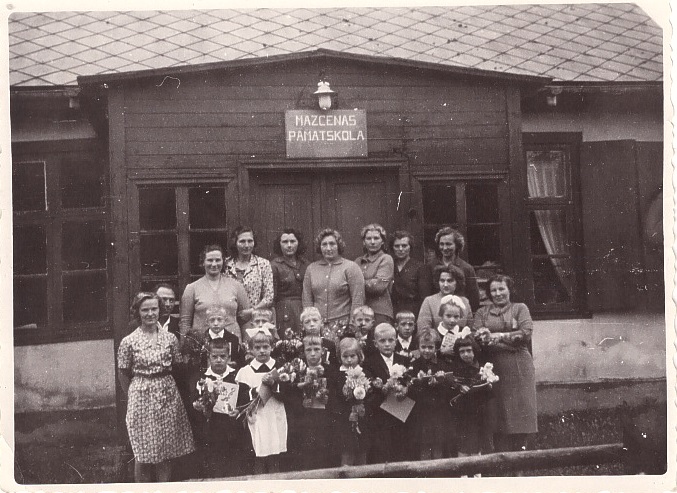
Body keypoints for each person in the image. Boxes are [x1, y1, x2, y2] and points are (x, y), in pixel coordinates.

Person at [117, 292, 195, 482]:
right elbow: (123, 373)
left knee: (165, 451)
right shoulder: (129, 341)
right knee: (142, 452)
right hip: (141, 397)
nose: (150, 313)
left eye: (154, 309)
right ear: (137, 312)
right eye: (145, 310)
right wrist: (133, 394)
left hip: (167, 396)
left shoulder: (170, 338)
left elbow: (177, 365)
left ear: (160, 310)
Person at [474, 274, 537, 452]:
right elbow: (478, 337)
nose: (498, 293)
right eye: (493, 290)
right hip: (492, 366)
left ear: (509, 290)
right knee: (497, 411)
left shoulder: (520, 308)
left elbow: (525, 334)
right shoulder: (482, 313)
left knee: (520, 409)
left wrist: (498, 336)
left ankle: (522, 453)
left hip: (518, 365)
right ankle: (500, 455)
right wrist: (509, 339)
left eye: (501, 289)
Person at [192, 338, 252, 478]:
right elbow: (195, 399)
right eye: (214, 357)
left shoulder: (236, 376)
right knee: (214, 466)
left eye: (222, 356)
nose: (218, 360)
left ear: (229, 358)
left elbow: (245, 400)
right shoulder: (203, 378)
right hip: (211, 429)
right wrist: (198, 406)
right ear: (209, 357)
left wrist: (238, 410)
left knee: (234, 466)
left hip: (233, 429)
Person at [235, 329, 287, 474]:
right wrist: (259, 388)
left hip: (275, 414)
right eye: (257, 348)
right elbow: (241, 397)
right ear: (251, 349)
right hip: (257, 417)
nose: (262, 351)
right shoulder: (246, 371)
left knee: (275, 452)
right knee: (258, 452)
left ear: (272, 347)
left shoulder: (280, 367)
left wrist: (274, 384)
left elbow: (288, 392)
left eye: (265, 347)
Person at [302, 228, 365, 340]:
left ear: (338, 245)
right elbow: (307, 299)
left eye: (332, 244)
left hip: (343, 325)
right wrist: (310, 322)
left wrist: (352, 326)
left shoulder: (351, 267)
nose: (328, 248)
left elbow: (358, 300)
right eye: (324, 244)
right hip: (317, 326)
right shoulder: (311, 269)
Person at [180, 244, 251, 342]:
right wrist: (186, 347)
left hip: (232, 344)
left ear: (223, 261)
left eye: (218, 260)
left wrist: (247, 346)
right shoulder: (192, 288)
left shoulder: (237, 286)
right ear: (203, 262)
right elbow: (185, 323)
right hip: (202, 344)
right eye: (210, 260)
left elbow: (246, 320)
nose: (214, 264)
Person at [284, 335, 334, 471]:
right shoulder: (296, 370)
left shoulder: (330, 370)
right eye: (308, 350)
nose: (312, 353)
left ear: (323, 351)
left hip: (324, 420)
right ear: (303, 351)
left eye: (316, 349)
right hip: (303, 420)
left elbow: (335, 393)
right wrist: (300, 394)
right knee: (305, 457)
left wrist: (327, 399)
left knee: (323, 456)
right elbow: (287, 392)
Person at [362, 323, 410, 464]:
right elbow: (371, 385)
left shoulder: (404, 360)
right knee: (381, 449)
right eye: (382, 341)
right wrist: (382, 387)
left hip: (401, 409)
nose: (387, 344)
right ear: (375, 343)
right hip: (380, 412)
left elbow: (409, 381)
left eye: (390, 340)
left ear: (396, 341)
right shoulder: (369, 363)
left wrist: (405, 389)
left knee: (400, 447)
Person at [406, 328, 453, 460]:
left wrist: (440, 382)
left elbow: (449, 390)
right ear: (418, 347)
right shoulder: (413, 366)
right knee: (424, 445)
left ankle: (438, 470)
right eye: (423, 347)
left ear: (436, 348)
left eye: (430, 347)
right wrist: (420, 382)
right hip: (421, 412)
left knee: (438, 444)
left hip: (438, 411)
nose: (426, 350)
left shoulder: (443, 365)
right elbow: (409, 390)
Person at [327, 337, 369, 466]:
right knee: (347, 453)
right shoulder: (336, 375)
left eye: (352, 356)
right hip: (344, 421)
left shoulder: (364, 373)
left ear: (359, 356)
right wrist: (347, 411)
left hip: (362, 420)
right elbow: (333, 398)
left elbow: (370, 394)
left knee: (362, 453)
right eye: (345, 357)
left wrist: (362, 407)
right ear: (340, 357)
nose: (349, 360)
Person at [449, 334, 492, 461]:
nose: (466, 354)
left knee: (477, 442)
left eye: (469, 350)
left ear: (474, 350)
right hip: (461, 412)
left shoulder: (482, 368)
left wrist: (488, 386)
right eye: (462, 352)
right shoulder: (455, 369)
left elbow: (489, 393)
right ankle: (463, 468)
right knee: (462, 443)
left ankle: (477, 468)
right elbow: (450, 388)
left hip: (478, 411)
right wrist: (459, 387)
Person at [183, 305, 246, 387]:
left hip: (228, 379)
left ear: (225, 321)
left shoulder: (233, 339)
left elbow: (239, 360)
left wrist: (234, 363)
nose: (216, 323)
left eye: (219, 320)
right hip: (206, 379)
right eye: (212, 320)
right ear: (207, 321)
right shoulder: (200, 339)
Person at [423, 227, 480, 312]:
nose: (444, 248)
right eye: (441, 244)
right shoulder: (430, 267)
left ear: (457, 245)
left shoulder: (467, 268)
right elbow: (426, 294)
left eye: (448, 244)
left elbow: (474, 298)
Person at [224, 226, 275, 316]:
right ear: (235, 243)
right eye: (242, 241)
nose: (247, 245)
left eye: (250, 241)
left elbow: (269, 297)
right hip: (229, 316)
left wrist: (252, 311)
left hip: (255, 316)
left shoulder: (263, 264)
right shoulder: (226, 264)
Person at [271, 228, 309, 337]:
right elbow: (272, 299)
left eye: (292, 241)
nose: (289, 245)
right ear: (279, 244)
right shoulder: (274, 265)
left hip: (303, 309)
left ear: (298, 243)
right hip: (284, 313)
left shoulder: (306, 264)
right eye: (285, 242)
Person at [355, 223, 394, 325]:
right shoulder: (358, 262)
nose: (372, 242)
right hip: (360, 312)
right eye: (368, 238)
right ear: (364, 242)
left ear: (382, 241)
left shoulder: (386, 259)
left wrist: (356, 284)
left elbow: (378, 286)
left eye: (376, 238)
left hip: (379, 312)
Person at [418, 264, 471, 331]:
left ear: (457, 282)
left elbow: (470, 328)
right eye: (442, 281)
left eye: (450, 281)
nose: (445, 285)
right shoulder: (429, 301)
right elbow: (423, 330)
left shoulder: (464, 301)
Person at [389, 231, 430, 316]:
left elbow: (424, 296)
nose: (400, 249)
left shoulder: (419, 267)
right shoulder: (389, 265)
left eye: (404, 246)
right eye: (397, 246)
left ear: (410, 247)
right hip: (392, 312)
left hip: (412, 313)